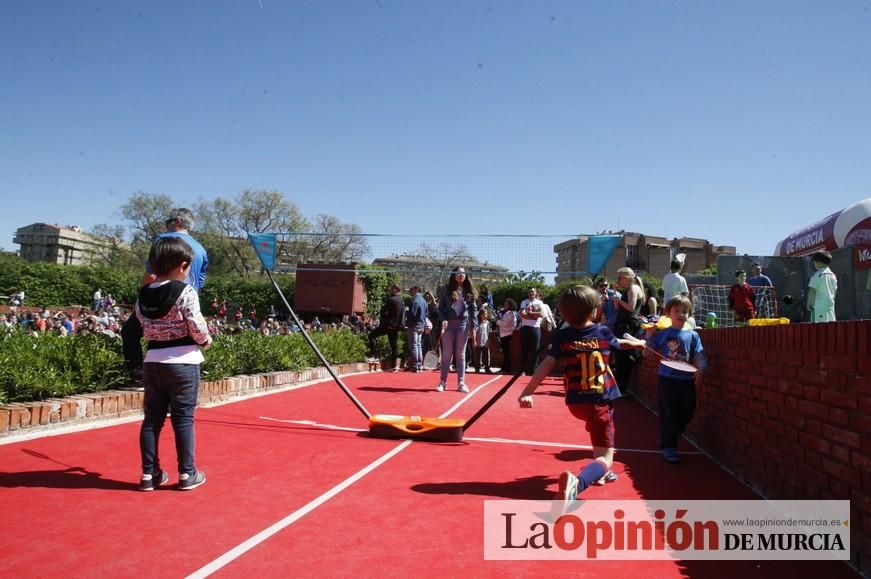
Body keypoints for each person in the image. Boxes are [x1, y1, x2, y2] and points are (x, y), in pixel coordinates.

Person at [517, 285, 646, 509]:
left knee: (595, 430)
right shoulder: (603, 333)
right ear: (595, 310)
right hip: (599, 403)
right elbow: (620, 344)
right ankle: (579, 482)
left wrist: (528, 391)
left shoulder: (562, 336)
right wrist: (638, 343)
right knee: (606, 458)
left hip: (576, 402)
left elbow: (547, 363)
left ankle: (598, 472)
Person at [135, 236, 212, 491]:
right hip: (183, 362)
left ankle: (149, 474)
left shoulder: (143, 295)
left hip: (153, 362)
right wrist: (205, 340)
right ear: (182, 265)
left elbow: (142, 325)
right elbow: (195, 322)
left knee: (151, 420)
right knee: (183, 419)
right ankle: (187, 473)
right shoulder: (186, 291)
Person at [121, 208, 209, 384]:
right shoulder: (201, 249)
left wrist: (144, 295)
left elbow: (151, 274)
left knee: (130, 332)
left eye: (167, 222)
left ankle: (138, 372)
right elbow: (199, 283)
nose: (165, 227)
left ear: (177, 222)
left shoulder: (164, 241)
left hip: (162, 298)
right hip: (188, 302)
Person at [645, 295, 707, 464]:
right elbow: (647, 352)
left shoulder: (693, 335)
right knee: (669, 413)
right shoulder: (663, 334)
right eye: (677, 310)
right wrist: (649, 336)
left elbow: (699, 355)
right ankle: (668, 446)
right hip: (667, 380)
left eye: (685, 311)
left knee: (688, 410)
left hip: (686, 381)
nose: (681, 314)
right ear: (668, 313)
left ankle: (672, 436)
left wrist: (701, 368)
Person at [436, 267, 478, 392]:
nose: (461, 275)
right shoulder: (446, 289)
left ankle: (461, 383)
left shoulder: (469, 291)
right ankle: (443, 382)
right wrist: (443, 319)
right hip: (448, 324)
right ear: (453, 275)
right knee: (447, 354)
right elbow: (440, 308)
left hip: (463, 325)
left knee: (460, 354)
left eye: (463, 273)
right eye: (458, 273)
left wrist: (474, 327)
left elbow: (473, 310)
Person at [612, 267, 645, 394]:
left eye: (619, 277)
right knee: (620, 356)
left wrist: (619, 299)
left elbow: (631, 308)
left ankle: (622, 387)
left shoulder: (633, 288)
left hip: (628, 326)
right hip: (624, 324)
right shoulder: (629, 289)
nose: (618, 280)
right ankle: (621, 386)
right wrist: (617, 296)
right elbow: (619, 308)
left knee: (623, 356)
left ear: (625, 278)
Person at [367, 284, 405, 371]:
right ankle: (394, 366)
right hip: (396, 327)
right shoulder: (401, 301)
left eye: (390, 289)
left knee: (371, 335)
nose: (389, 290)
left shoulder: (391, 300)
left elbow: (383, 311)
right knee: (394, 346)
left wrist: (385, 314)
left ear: (395, 289)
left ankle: (374, 356)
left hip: (387, 325)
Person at [518, 287, 544, 375]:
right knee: (524, 349)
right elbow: (522, 314)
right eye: (529, 292)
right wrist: (534, 316)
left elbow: (541, 314)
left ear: (536, 292)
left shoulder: (539, 302)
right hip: (525, 328)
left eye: (532, 291)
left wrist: (529, 313)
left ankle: (534, 371)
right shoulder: (524, 302)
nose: (531, 293)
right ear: (527, 293)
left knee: (536, 350)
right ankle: (523, 370)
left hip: (536, 328)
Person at [807, 250, 837, 323]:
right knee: (831, 325)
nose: (814, 264)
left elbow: (812, 290)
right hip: (830, 304)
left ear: (818, 262)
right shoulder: (833, 275)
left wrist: (809, 303)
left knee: (820, 327)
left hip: (819, 305)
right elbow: (835, 291)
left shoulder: (817, 275)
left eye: (814, 262)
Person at [405, 285, 428, 372]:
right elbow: (426, 313)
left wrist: (407, 320)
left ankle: (415, 365)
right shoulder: (423, 301)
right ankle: (419, 364)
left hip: (413, 325)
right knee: (418, 345)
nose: (410, 291)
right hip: (421, 325)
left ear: (416, 290)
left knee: (414, 346)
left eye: (411, 290)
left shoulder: (414, 301)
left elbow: (412, 314)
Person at [495, 298, 519, 374]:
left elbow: (504, 324)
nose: (504, 305)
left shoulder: (510, 313)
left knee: (506, 353)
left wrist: (496, 321)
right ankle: (504, 368)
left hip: (507, 335)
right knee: (505, 353)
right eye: (504, 304)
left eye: (506, 304)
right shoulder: (506, 313)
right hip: (504, 334)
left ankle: (506, 369)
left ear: (510, 305)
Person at [473, 308, 492, 373]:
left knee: (486, 355)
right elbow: (474, 332)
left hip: (485, 341)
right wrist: (474, 340)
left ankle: (487, 367)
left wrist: (489, 340)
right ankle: (477, 368)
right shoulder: (477, 323)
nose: (485, 315)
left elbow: (489, 332)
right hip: (478, 341)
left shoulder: (487, 323)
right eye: (484, 314)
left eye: (486, 314)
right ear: (480, 315)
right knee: (478, 355)